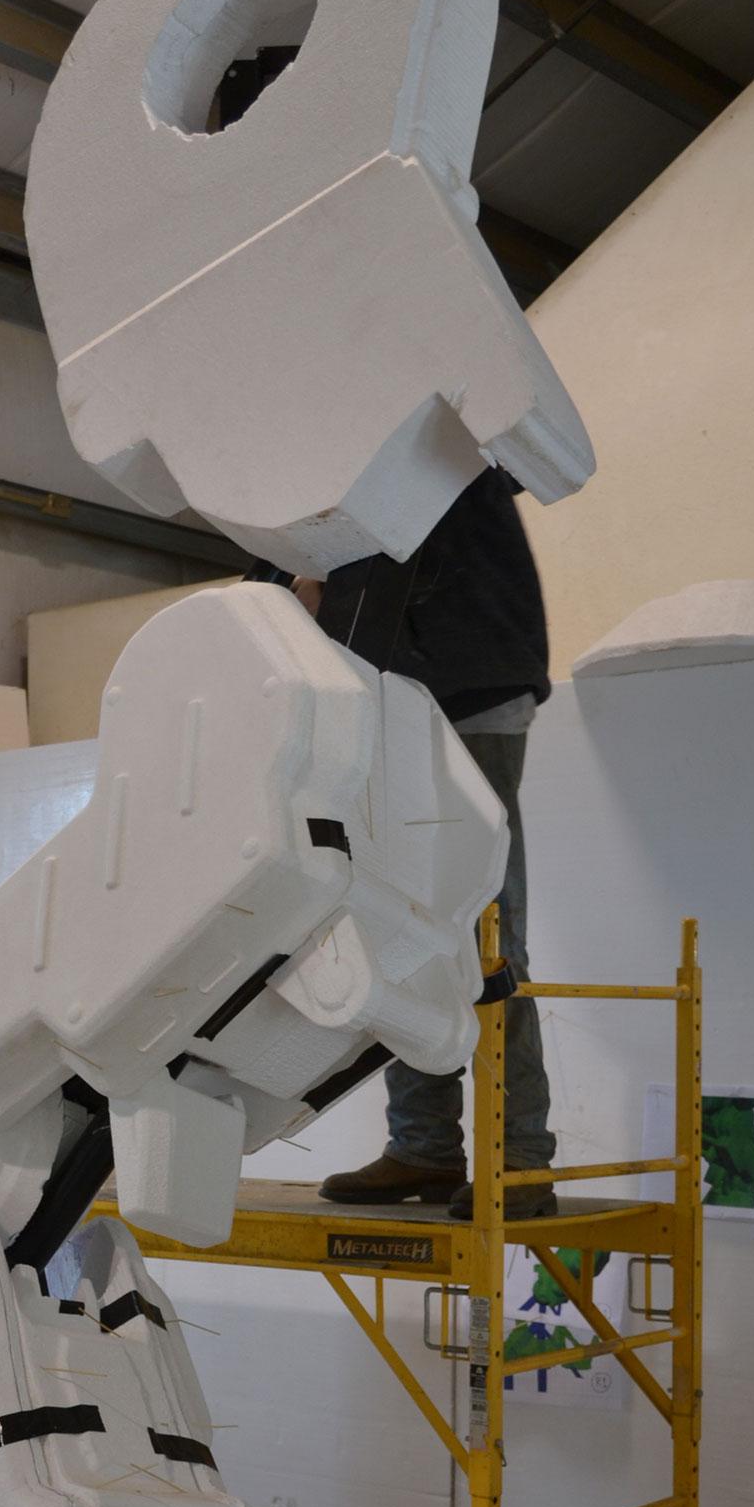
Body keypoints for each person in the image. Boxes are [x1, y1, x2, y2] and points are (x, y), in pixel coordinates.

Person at [263, 468, 558, 1221]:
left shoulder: (413, 433)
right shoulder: (340, 447)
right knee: (395, 922)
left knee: (484, 929)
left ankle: (519, 1156)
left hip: (467, 681)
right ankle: (425, 1142)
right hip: (393, 685)